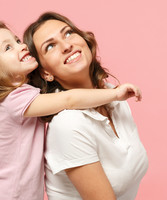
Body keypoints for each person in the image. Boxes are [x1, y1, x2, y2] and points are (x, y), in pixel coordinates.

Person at [0, 22, 142, 200]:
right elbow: (69, 99)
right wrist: (115, 94)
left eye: (17, 40)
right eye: (8, 47)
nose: (21, 46)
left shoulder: (18, 98)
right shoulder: (13, 101)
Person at [24, 12, 149, 200]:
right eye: (50, 46)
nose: (66, 46)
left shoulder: (113, 94)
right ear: (46, 73)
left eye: (67, 33)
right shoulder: (68, 124)